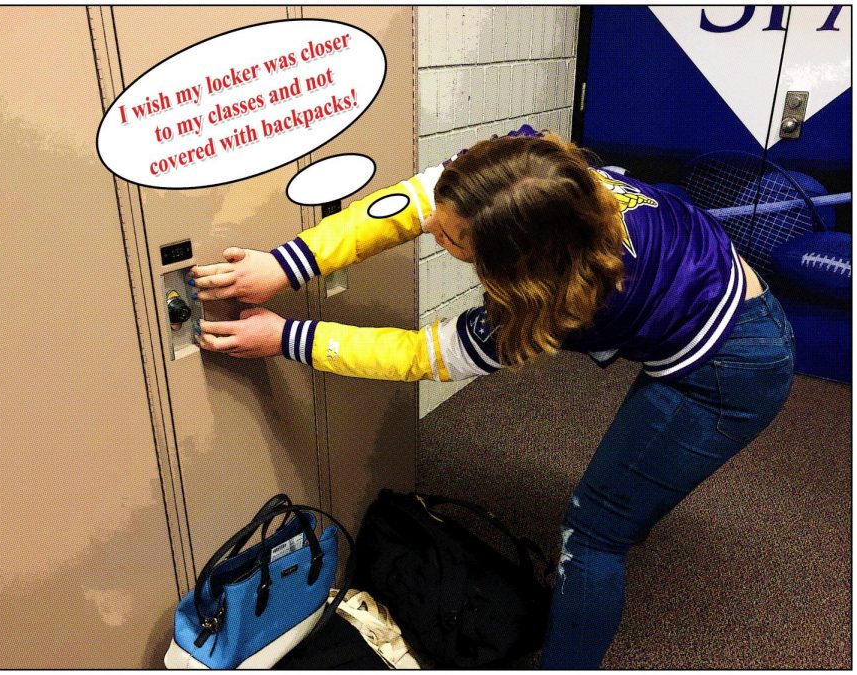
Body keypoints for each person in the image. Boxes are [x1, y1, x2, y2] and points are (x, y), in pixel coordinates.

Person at [190, 127, 795, 668]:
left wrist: (284, 337)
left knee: (594, 533)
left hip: (729, 370)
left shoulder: (557, 303)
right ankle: (636, 505)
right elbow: (417, 202)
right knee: (635, 486)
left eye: (453, 241)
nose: (433, 230)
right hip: (711, 307)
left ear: (515, 269)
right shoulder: (528, 178)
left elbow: (420, 356)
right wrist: (288, 265)